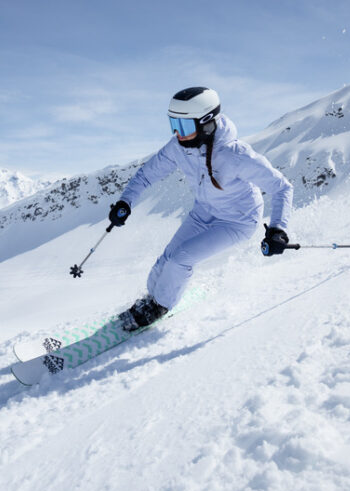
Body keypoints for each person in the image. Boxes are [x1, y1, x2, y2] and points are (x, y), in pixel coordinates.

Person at [108, 86, 294, 332]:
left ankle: (160, 307)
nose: (177, 134)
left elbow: (282, 187)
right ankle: (152, 299)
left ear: (207, 123)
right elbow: (147, 174)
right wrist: (125, 201)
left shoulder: (234, 155)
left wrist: (278, 229)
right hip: (204, 212)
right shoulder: (178, 146)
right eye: (173, 124)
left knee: (181, 259)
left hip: (237, 221)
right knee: (165, 261)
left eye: (184, 127)